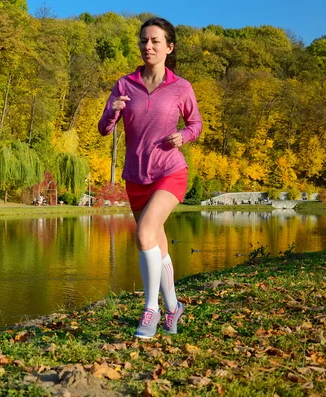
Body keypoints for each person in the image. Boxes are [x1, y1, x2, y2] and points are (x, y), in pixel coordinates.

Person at [98, 17, 202, 339]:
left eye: (156, 41)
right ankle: (174, 308)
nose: (148, 46)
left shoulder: (181, 87)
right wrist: (113, 109)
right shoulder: (125, 84)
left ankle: (151, 310)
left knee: (144, 233)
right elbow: (104, 128)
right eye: (144, 40)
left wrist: (183, 137)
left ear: (169, 48)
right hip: (136, 176)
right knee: (155, 243)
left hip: (170, 171)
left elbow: (196, 125)